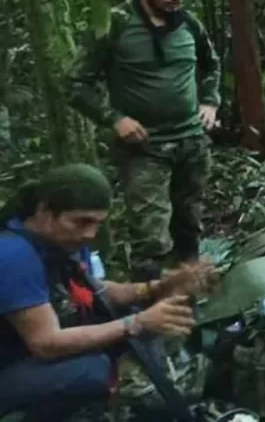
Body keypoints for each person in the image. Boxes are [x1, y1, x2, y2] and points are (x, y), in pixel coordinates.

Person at [0, 164, 210, 420]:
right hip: (11, 364)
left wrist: (158, 287)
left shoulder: (63, 241)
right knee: (91, 369)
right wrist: (136, 323)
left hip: (30, 350)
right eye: (81, 222)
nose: (90, 233)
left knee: (136, 317)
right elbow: (46, 344)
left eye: (98, 223)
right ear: (44, 211)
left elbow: (99, 293)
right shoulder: (13, 255)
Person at [68, 0, 220, 279]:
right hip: (144, 148)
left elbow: (211, 65)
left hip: (191, 143)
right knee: (151, 239)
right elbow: (76, 84)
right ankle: (152, 315)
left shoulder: (189, 25)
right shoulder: (115, 25)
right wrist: (114, 119)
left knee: (190, 226)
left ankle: (189, 302)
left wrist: (210, 101)